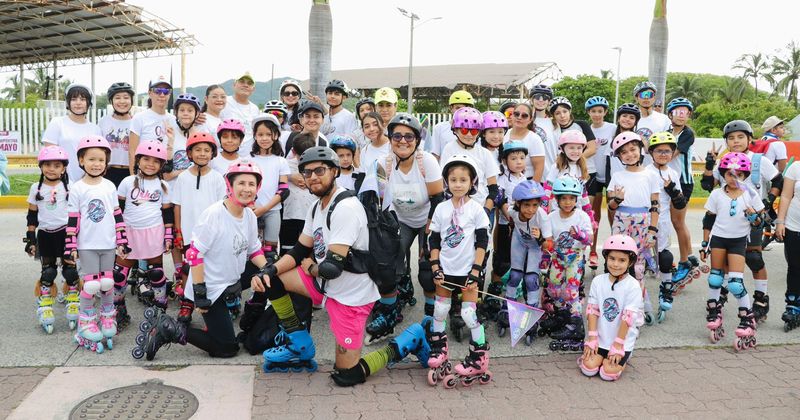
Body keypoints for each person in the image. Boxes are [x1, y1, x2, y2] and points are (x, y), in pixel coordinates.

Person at [249, 147, 432, 387]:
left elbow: (332, 268)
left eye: (320, 170)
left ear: (334, 171)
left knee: (347, 375)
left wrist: (312, 267)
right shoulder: (316, 207)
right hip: (325, 286)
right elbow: (299, 251)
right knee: (272, 280)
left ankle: (411, 339)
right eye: (307, 172)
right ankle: (300, 345)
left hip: (351, 295)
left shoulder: (345, 208)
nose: (313, 176)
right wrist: (268, 271)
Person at [132, 161, 274, 360]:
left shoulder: (249, 215)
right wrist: (200, 293)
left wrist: (268, 268)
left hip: (231, 278)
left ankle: (252, 319)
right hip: (209, 287)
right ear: (230, 186)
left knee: (275, 272)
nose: (247, 189)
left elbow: (254, 250)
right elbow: (194, 254)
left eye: (252, 184)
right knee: (226, 349)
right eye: (241, 183)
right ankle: (168, 328)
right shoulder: (214, 215)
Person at [364, 114, 444, 344]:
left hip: (428, 218)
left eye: (409, 136)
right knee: (387, 265)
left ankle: (431, 317)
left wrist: (429, 236)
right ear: (390, 138)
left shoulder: (426, 161)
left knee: (427, 269)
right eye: (397, 135)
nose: (402, 140)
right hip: (399, 218)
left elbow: (438, 199)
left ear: (418, 140)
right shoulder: (383, 163)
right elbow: (374, 199)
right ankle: (389, 312)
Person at [701, 120, 782, 323]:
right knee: (726, 260)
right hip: (727, 220)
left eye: (740, 137)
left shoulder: (759, 161)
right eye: (731, 138)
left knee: (754, 259)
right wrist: (710, 166)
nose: (735, 141)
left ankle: (761, 298)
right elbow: (707, 185)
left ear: (749, 139)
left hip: (752, 218)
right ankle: (723, 293)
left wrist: (766, 201)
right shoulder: (724, 161)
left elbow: (778, 181)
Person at [426, 154, 492, 388]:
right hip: (445, 270)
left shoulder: (476, 210)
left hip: (468, 272)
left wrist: (476, 270)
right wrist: (434, 266)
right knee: (440, 311)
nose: (457, 184)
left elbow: (483, 242)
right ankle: (439, 351)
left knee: (468, 315)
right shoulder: (441, 209)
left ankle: (479, 356)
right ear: (446, 182)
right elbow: (433, 240)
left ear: (472, 182)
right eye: (453, 179)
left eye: (463, 179)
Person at [65, 136, 130, 353]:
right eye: (91, 159)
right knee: (91, 284)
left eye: (101, 160)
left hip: (108, 243)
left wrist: (122, 241)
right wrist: (70, 245)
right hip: (87, 245)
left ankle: (107, 319)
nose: (96, 164)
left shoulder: (110, 186)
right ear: (81, 160)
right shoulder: (77, 188)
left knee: (108, 284)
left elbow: (116, 214)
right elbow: (73, 218)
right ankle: (86, 323)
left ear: (106, 162)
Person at [700, 152, 764, 350]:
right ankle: (714, 311)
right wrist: (704, 244)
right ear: (723, 175)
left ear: (744, 175)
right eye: (730, 174)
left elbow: (760, 222)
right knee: (715, 278)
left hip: (737, 242)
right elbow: (708, 219)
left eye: (738, 174)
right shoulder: (717, 194)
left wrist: (754, 217)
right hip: (718, 239)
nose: (734, 177)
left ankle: (747, 317)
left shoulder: (750, 194)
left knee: (735, 283)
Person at [113, 141, 172, 330]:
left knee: (156, 273)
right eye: (146, 159)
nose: (150, 164)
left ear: (162, 165)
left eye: (156, 161)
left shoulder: (163, 185)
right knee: (119, 274)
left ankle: (159, 309)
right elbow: (118, 210)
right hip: (130, 232)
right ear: (138, 160)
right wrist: (118, 234)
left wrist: (169, 236)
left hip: (154, 232)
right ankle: (118, 308)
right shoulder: (127, 182)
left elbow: (167, 213)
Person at [170, 132, 227, 322]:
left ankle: (210, 301)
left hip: (210, 234)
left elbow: (222, 207)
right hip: (188, 232)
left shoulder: (218, 178)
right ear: (189, 153)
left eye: (206, 150)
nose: (202, 153)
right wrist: (178, 231)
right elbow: (177, 205)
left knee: (208, 268)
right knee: (188, 268)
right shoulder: (183, 178)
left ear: (212, 153)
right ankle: (187, 302)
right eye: (197, 150)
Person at [606, 132, 660, 324]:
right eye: (624, 152)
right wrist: (617, 200)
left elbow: (655, 205)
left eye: (632, 149)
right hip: (621, 220)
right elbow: (611, 206)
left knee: (638, 267)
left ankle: (641, 307)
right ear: (619, 157)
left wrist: (652, 230)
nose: (629, 154)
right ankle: (617, 306)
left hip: (643, 222)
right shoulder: (617, 176)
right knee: (617, 265)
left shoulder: (651, 175)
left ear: (640, 150)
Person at [24, 146, 79, 334]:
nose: (52, 169)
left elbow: (76, 213)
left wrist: (77, 235)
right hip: (45, 235)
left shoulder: (70, 187)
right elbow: (32, 216)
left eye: (57, 165)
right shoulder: (35, 188)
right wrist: (31, 240)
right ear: (41, 167)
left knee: (70, 271)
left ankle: (73, 301)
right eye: (47, 165)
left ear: (63, 168)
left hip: (65, 233)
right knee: (48, 272)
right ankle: (45, 304)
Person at [579, 234, 645, 382]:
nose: (615, 264)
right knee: (588, 368)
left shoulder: (633, 285)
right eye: (612, 258)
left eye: (622, 260)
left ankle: (624, 357)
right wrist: (592, 339)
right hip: (601, 339)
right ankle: (602, 355)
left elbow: (628, 318)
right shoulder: (598, 281)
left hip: (621, 341)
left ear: (630, 262)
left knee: (607, 373)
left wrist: (618, 345)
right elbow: (592, 311)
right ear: (606, 258)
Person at [495, 180, 551, 347]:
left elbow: (549, 245)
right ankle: (507, 307)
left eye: (535, 205)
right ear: (518, 203)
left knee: (530, 280)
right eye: (527, 205)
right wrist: (500, 200)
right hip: (519, 242)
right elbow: (507, 213)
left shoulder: (542, 216)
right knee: (515, 275)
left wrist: (540, 237)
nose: (531, 210)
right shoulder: (514, 212)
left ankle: (531, 313)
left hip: (535, 246)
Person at [542, 177, 593, 351]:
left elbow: (590, 240)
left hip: (575, 257)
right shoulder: (551, 217)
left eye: (571, 198)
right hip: (557, 257)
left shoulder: (582, 216)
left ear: (576, 199)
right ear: (556, 199)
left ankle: (576, 325)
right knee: (554, 288)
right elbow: (548, 241)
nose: (567, 202)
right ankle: (561, 315)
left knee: (571, 291)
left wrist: (579, 235)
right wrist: (542, 245)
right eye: (563, 198)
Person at [645, 132, 688, 322]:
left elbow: (679, 204)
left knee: (665, 257)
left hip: (662, 221)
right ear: (651, 153)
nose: (663, 154)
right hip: (644, 220)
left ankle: (666, 290)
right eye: (659, 151)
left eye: (668, 151)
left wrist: (673, 190)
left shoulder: (673, 173)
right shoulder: (645, 172)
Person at [665, 97, 698, 286]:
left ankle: (684, 262)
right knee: (677, 222)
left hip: (683, 183)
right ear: (670, 115)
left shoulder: (687, 133)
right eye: (677, 112)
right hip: (670, 181)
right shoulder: (668, 131)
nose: (681, 115)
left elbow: (671, 153)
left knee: (678, 222)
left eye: (684, 112)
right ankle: (690, 255)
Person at [250, 114, 290, 263]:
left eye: (268, 134)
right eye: (260, 134)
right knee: (251, 249)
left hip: (272, 210)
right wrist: (253, 207)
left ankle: (268, 282)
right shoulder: (249, 160)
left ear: (276, 135)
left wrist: (264, 208)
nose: (264, 138)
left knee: (271, 252)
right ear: (254, 136)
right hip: (251, 210)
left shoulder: (280, 161)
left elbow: (284, 190)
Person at [42, 83, 102, 182]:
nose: (78, 103)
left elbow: (97, 158)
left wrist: (84, 181)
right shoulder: (57, 123)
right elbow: (50, 155)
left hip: (87, 182)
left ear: (88, 103)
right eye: (74, 99)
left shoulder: (95, 129)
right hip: (60, 182)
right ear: (68, 102)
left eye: (82, 99)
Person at [491, 141, 528, 291]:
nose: (518, 162)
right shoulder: (503, 179)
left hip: (521, 224)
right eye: (513, 158)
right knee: (503, 256)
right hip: (507, 225)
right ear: (505, 161)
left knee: (519, 255)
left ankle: (515, 283)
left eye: (521, 158)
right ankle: (496, 283)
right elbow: (501, 200)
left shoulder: (523, 178)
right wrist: (510, 218)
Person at [586, 96, 615, 270]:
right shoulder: (586, 130)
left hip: (611, 175)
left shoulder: (612, 128)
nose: (597, 114)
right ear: (589, 113)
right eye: (593, 111)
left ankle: (615, 248)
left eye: (600, 111)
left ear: (605, 112)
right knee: (594, 215)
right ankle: (592, 252)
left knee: (614, 214)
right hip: (594, 175)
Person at [129, 76, 179, 173]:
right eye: (157, 90)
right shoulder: (139, 118)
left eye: (166, 91)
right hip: (144, 173)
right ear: (149, 93)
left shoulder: (174, 120)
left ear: (169, 94)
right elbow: (132, 151)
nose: (161, 94)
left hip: (166, 175)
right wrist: (133, 177)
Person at [279, 133, 317, 257]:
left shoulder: (319, 166)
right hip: (289, 215)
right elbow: (275, 176)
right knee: (288, 250)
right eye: (301, 155)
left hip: (310, 215)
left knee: (308, 251)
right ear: (294, 152)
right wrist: (290, 177)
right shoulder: (285, 164)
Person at [549, 96, 598, 189]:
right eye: (557, 113)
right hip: (564, 173)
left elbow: (592, 149)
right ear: (553, 116)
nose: (562, 116)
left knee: (586, 202)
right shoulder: (554, 130)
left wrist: (574, 158)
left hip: (587, 171)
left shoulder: (582, 125)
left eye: (565, 111)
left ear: (570, 111)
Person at [775, 156, 800, 331]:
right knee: (795, 267)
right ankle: (792, 305)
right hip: (793, 226)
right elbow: (785, 195)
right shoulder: (796, 167)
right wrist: (780, 222)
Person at [99, 82, 136, 186]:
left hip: (131, 172)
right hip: (108, 172)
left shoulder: (137, 122)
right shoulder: (103, 121)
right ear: (111, 101)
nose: (122, 101)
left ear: (131, 100)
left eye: (126, 97)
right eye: (117, 98)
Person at [503, 102, 546, 182]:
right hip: (504, 183)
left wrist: (531, 189)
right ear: (512, 116)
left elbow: (539, 169)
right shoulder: (504, 134)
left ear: (530, 120)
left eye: (524, 116)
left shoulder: (534, 139)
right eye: (516, 114)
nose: (519, 117)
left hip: (526, 184)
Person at [428, 90, 475, 159]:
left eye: (466, 108)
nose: (462, 111)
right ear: (451, 108)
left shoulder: (476, 129)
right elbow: (435, 155)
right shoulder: (439, 128)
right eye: (458, 108)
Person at [221, 73, 260, 153]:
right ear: (234, 85)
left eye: (249, 83)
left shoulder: (255, 109)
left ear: (253, 89)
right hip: (226, 154)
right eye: (242, 82)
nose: (245, 85)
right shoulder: (223, 102)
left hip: (249, 156)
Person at [355, 111, 391, 188]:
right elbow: (362, 176)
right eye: (367, 126)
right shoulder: (365, 151)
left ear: (383, 125)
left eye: (375, 124)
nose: (371, 129)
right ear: (363, 130)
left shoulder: (393, 146)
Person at [529, 84, 558, 167]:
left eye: (545, 97)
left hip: (551, 171)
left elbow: (559, 149)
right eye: (537, 97)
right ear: (531, 100)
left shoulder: (554, 122)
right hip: (530, 172)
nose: (541, 100)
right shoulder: (526, 121)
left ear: (549, 101)